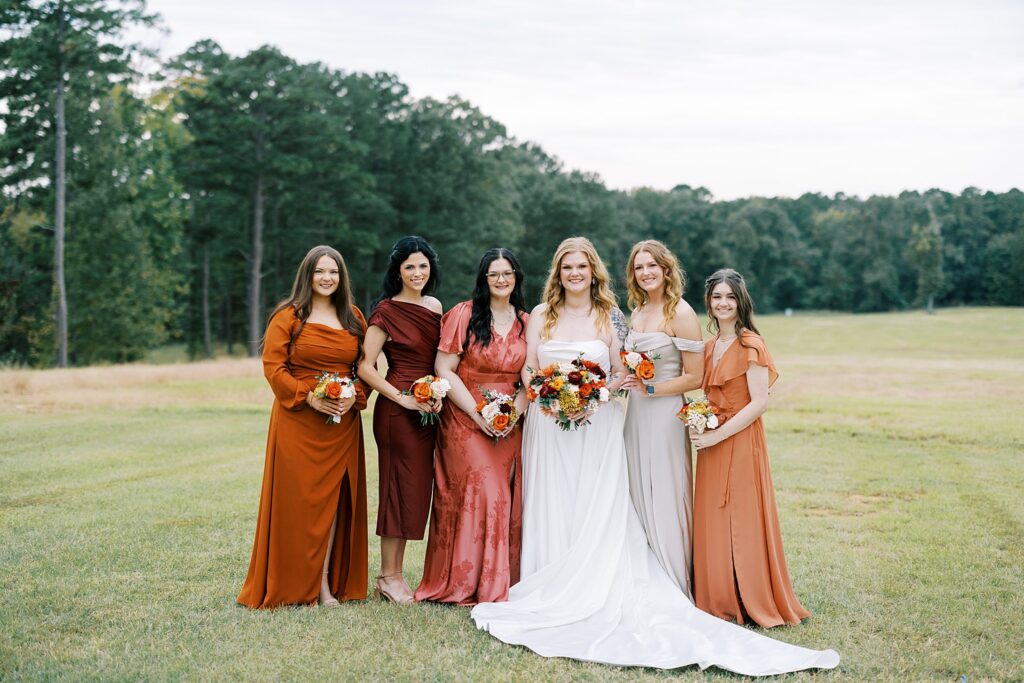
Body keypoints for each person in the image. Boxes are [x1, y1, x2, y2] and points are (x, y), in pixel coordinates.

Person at [470, 238, 839, 675]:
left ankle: (672, 582)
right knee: (559, 500)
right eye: (567, 267)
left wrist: (591, 395)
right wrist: (550, 394)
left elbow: (620, 370)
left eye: (582, 266)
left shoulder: (613, 314)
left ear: (594, 271)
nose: (575, 273)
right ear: (558, 272)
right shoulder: (545, 315)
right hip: (551, 425)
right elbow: (530, 367)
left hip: (601, 420)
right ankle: (552, 574)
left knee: (622, 499)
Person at [237, 245, 369, 609]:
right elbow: (273, 368)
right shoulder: (289, 316)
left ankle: (323, 584)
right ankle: (292, 582)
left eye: (334, 272)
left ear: (342, 277)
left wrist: (354, 395)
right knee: (298, 503)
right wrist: (309, 397)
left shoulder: (354, 317)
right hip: (297, 420)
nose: (327, 278)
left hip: (341, 425)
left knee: (333, 503)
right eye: (319, 271)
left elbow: (365, 368)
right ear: (307, 275)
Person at [690, 268, 810, 627]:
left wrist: (717, 436)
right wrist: (698, 420)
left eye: (730, 296)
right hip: (711, 441)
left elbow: (759, 403)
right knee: (713, 515)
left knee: (742, 517)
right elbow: (707, 396)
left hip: (740, 440)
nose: (723, 303)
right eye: (717, 297)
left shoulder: (751, 345)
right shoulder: (709, 347)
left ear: (741, 301)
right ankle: (718, 595)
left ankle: (749, 597)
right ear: (709, 302)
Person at [414, 248, 529, 605]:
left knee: (506, 494)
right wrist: (479, 414)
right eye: (494, 274)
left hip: (510, 420)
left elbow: (531, 379)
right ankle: (467, 581)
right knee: (489, 489)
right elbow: (444, 369)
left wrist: (513, 414)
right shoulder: (463, 314)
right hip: (465, 415)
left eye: (507, 273)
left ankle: (501, 580)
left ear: (516, 277)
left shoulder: (527, 322)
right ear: (483, 278)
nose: (501, 280)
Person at [357, 236, 442, 604]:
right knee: (396, 489)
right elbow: (365, 366)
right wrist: (402, 398)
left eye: (423, 266)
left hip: (428, 410)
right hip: (396, 411)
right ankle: (388, 578)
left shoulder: (434, 306)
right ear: (398, 271)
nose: (417, 272)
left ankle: (394, 575)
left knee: (414, 491)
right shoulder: (385, 311)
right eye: (410, 267)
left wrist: (435, 393)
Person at [620, 240, 704, 598]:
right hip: (636, 414)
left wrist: (652, 389)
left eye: (652, 265)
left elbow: (696, 376)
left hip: (666, 413)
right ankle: (644, 575)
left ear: (666, 269)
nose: (646, 273)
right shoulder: (638, 312)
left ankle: (673, 578)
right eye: (639, 267)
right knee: (637, 486)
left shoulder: (680, 313)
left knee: (666, 489)